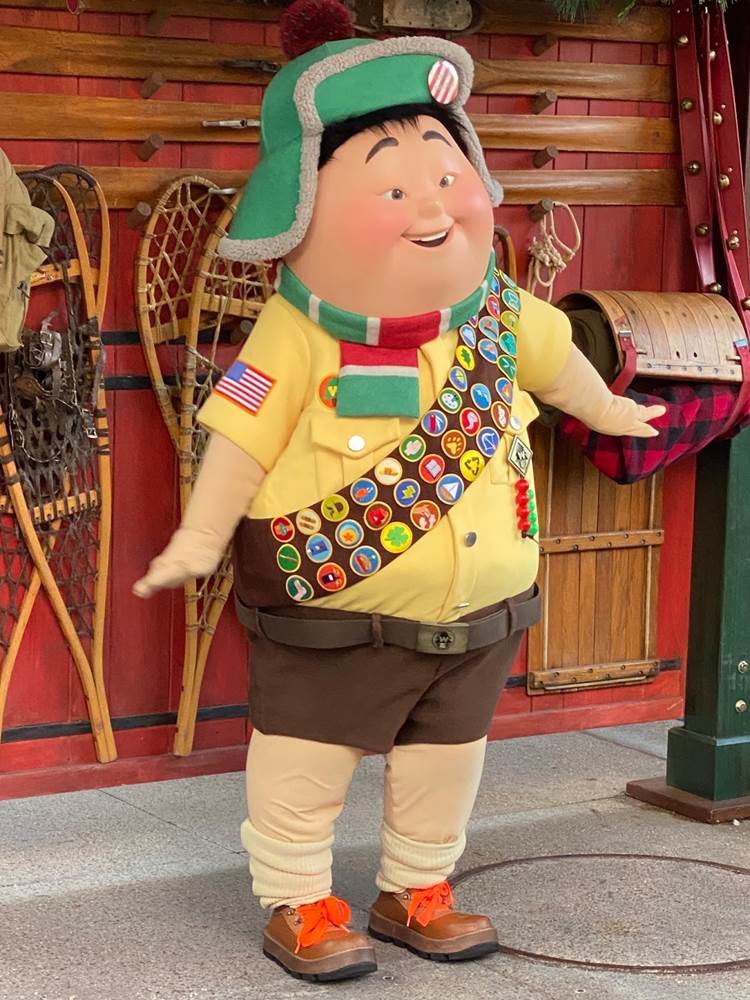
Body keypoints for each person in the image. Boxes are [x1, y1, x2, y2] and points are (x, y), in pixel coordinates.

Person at [134, 0, 664, 983]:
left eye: (445, 175)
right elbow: (238, 438)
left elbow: (558, 364)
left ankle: (417, 887)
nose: (432, 209)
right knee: (304, 758)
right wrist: (202, 536)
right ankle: (298, 899)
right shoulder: (295, 333)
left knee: (446, 758)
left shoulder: (501, 309)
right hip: (334, 608)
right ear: (306, 208)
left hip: (484, 612)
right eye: (393, 186)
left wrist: (611, 409)